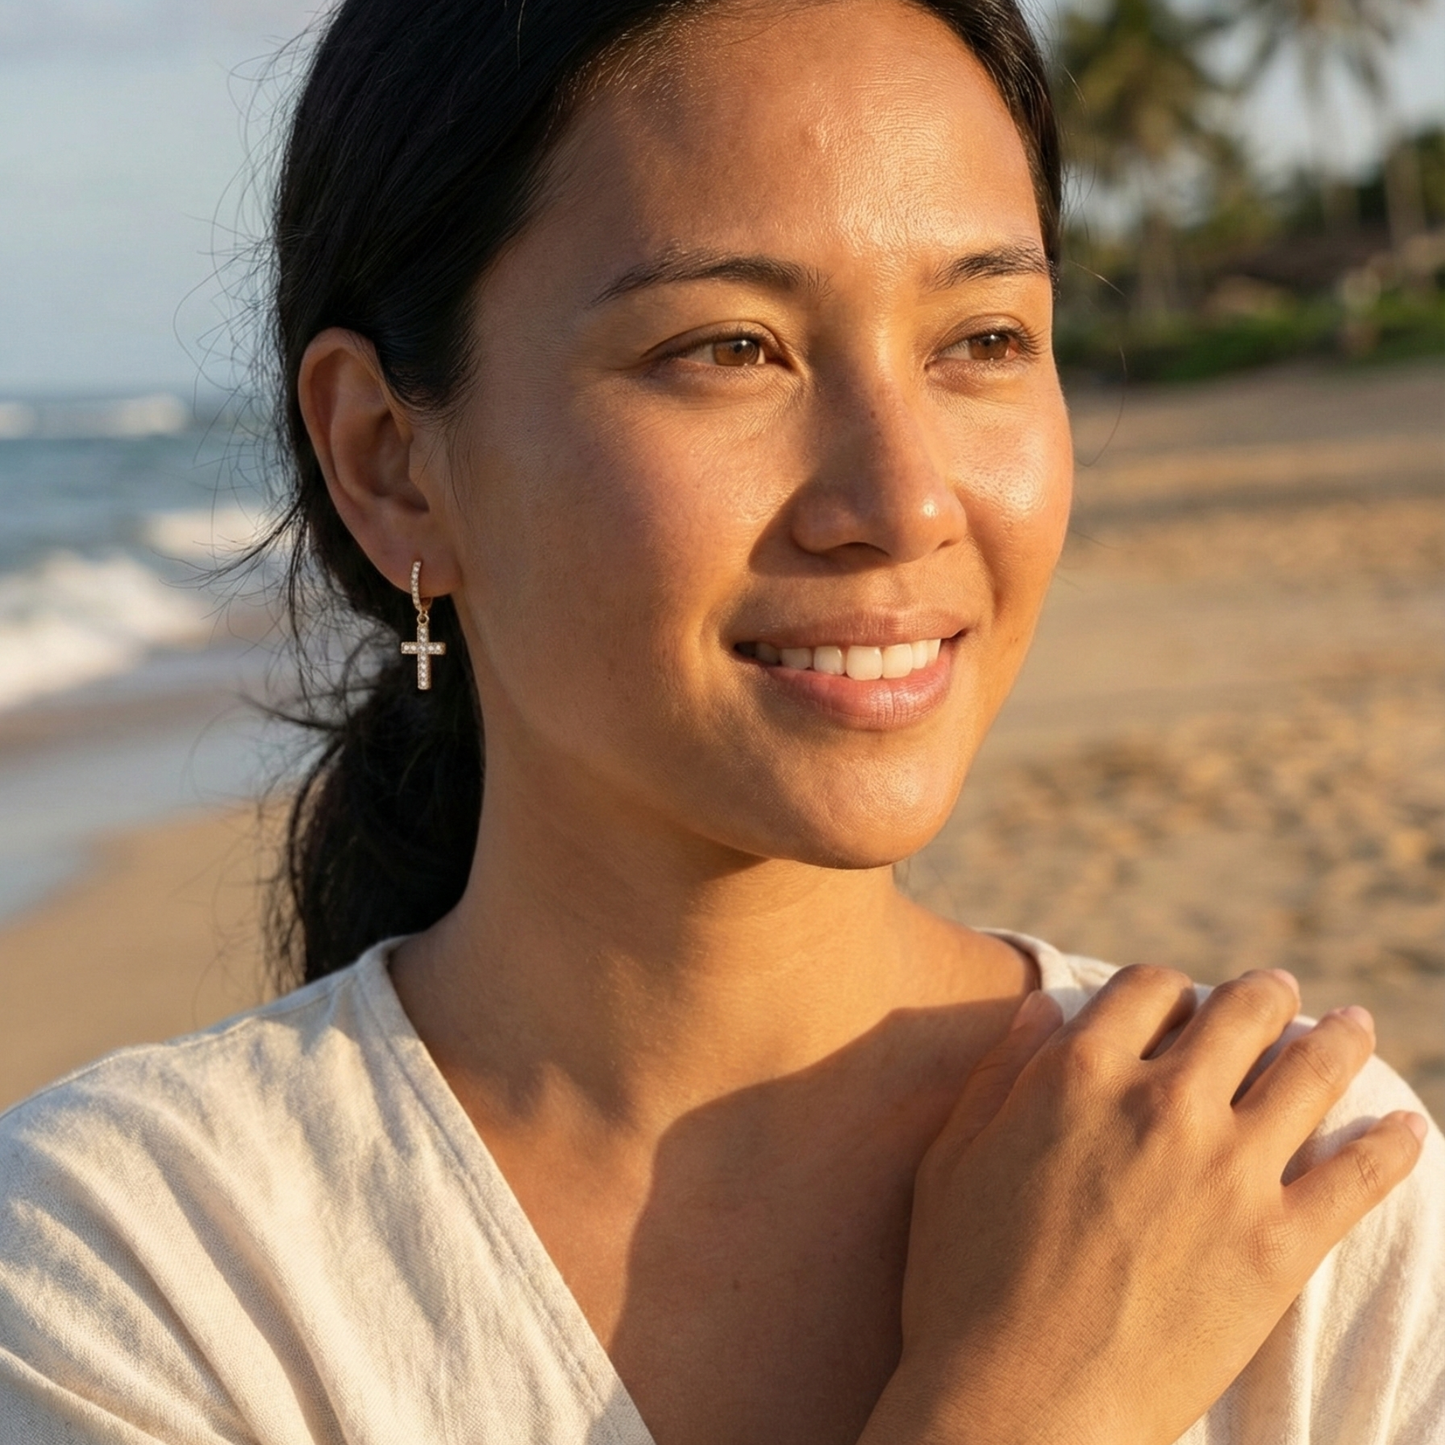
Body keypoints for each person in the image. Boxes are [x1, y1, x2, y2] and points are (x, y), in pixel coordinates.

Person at [1, 0, 1441, 1440]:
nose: (902, 503)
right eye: (730, 349)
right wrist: (1027, 1403)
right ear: (390, 464)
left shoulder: (1283, 1181)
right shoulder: (142, 1267)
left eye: (985, 336)